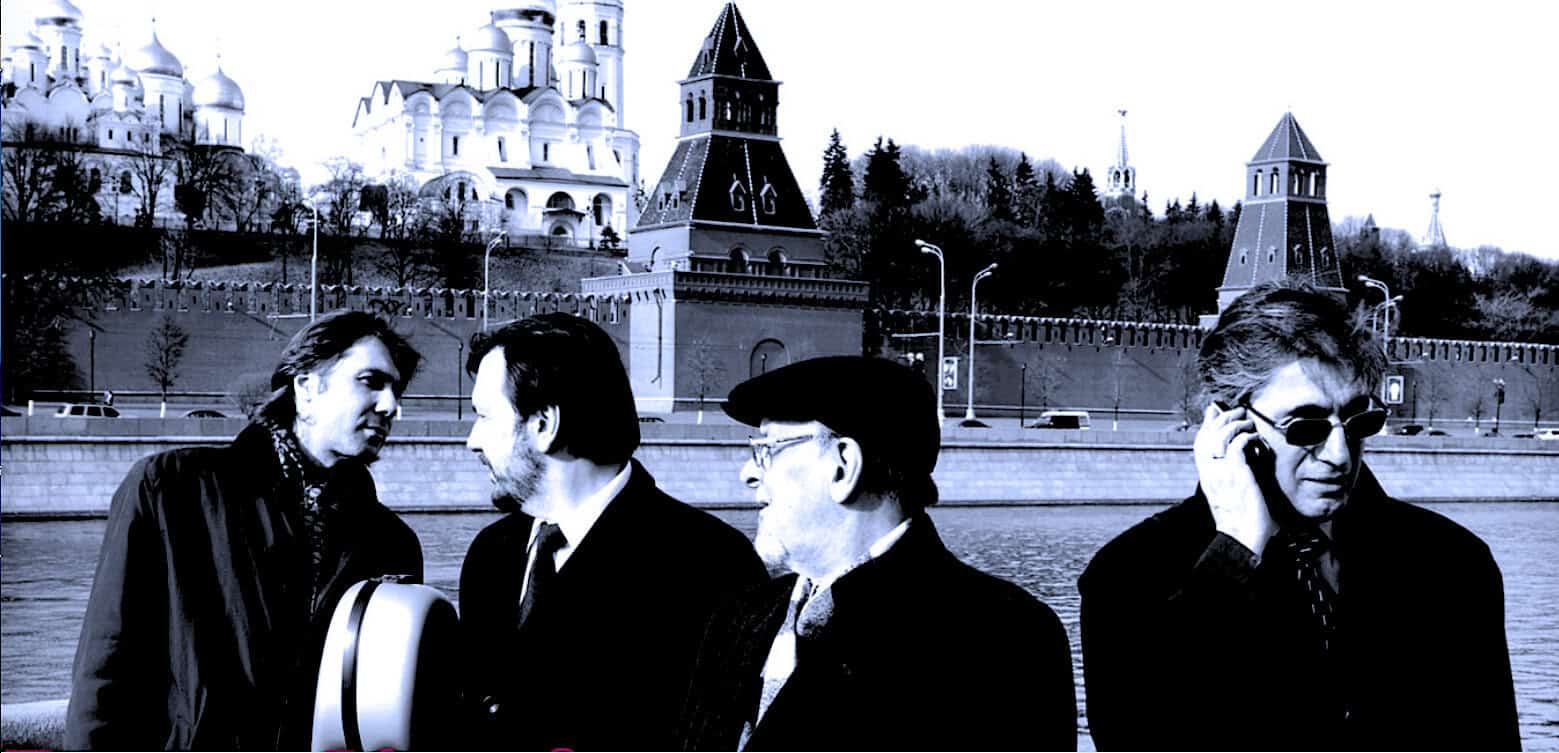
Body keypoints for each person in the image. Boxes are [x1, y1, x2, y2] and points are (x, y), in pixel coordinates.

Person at [1079, 281, 1520, 750]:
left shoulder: (1452, 562)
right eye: (1306, 426)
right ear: (1229, 425)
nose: (1339, 456)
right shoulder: (1128, 576)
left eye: (1358, 421)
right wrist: (1234, 554)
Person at [65, 311, 426, 750]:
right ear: (306, 388)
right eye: (370, 381)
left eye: (396, 389)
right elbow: (105, 679)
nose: (392, 406)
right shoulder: (171, 489)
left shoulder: (393, 544)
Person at [680, 356, 1077, 751]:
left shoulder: (1002, 640)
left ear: (842, 467)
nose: (748, 473)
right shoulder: (741, 615)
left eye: (767, 449)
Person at [458, 313, 767, 751]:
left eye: (485, 418)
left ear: (545, 424)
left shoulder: (710, 564)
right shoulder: (491, 554)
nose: (472, 440)